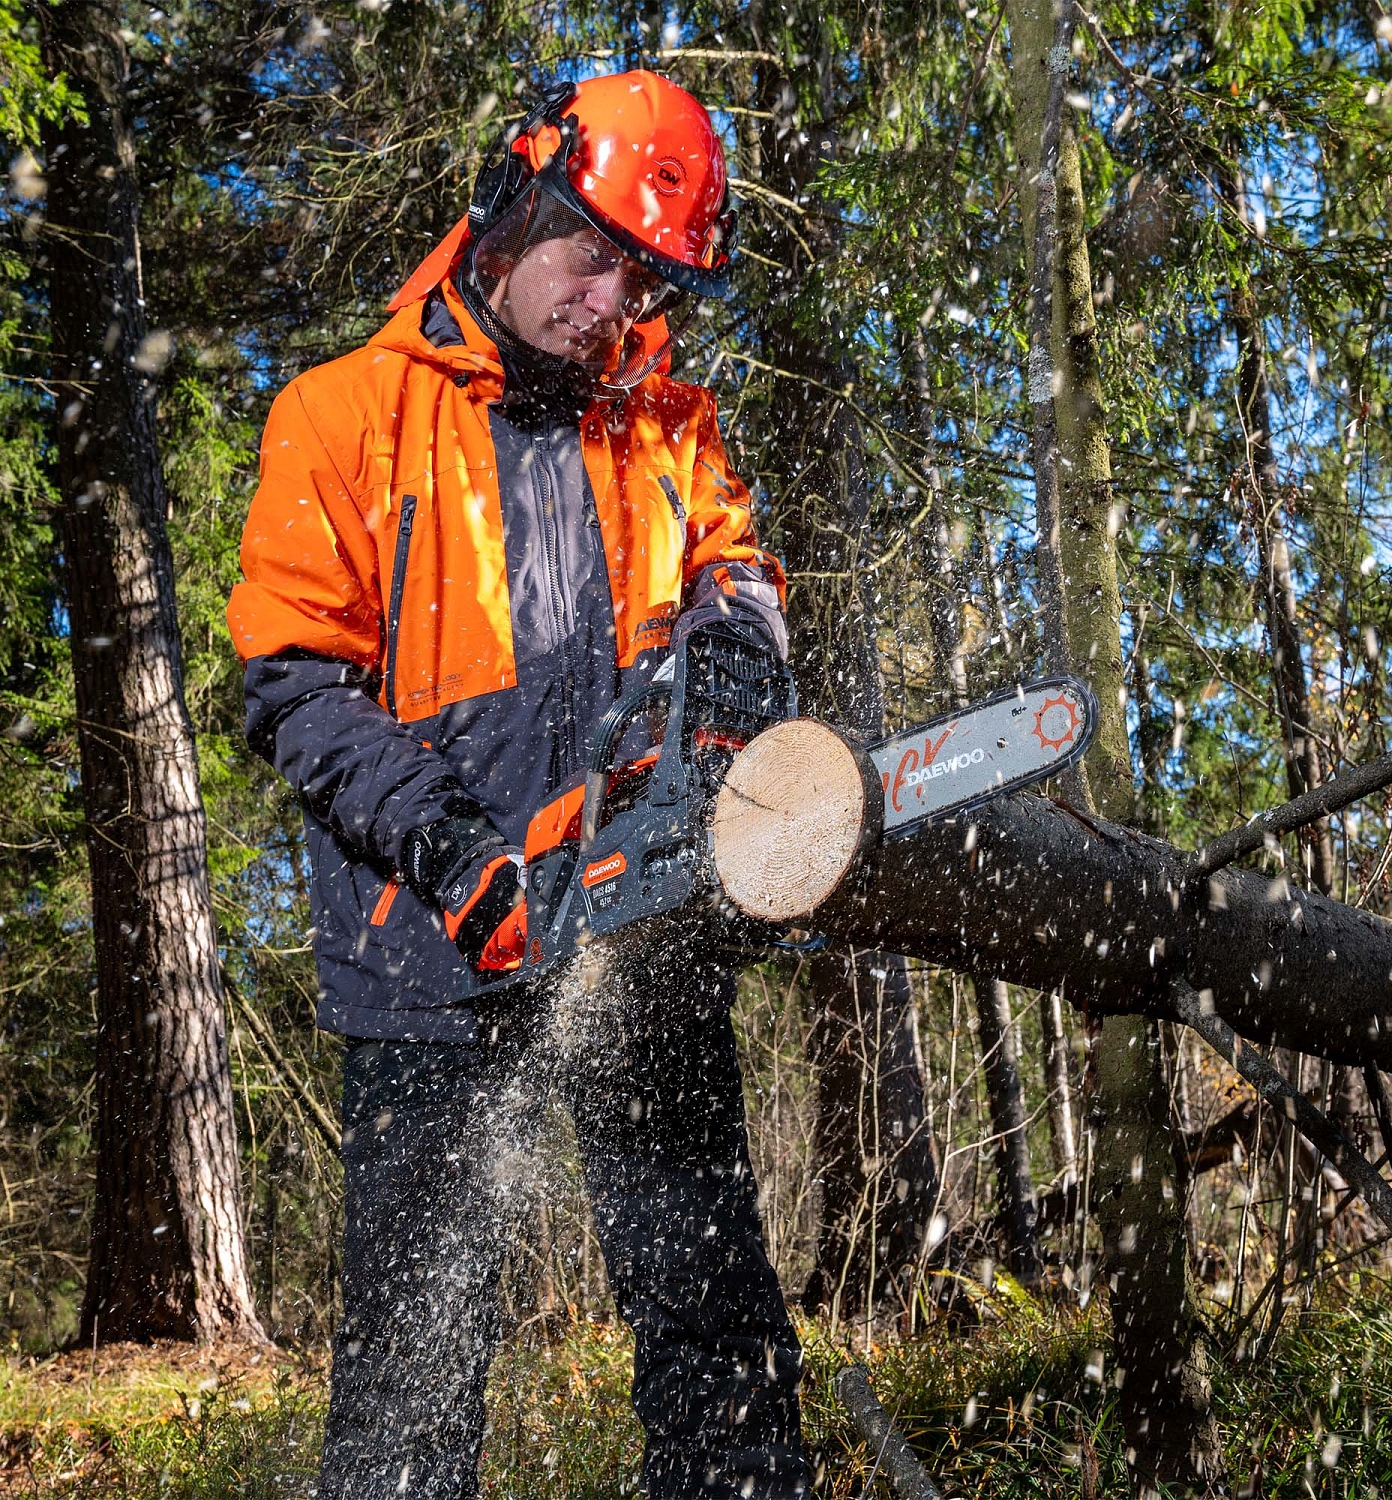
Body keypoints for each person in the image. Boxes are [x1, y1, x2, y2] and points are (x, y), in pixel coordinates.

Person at [227, 71, 809, 1500]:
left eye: (644, 273)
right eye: (590, 251)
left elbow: (738, 576)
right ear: (513, 207)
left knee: (714, 1324)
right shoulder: (342, 415)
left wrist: (726, 696)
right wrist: (456, 854)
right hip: (427, 950)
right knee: (413, 1377)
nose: (608, 296)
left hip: (641, 932)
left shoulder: (667, 426)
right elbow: (295, 685)